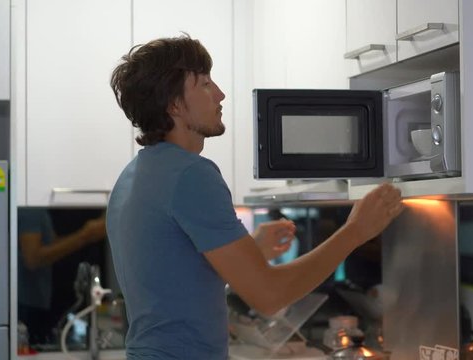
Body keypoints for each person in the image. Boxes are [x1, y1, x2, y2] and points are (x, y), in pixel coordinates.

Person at [106, 34, 404, 359]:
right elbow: (269, 296)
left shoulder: (133, 175)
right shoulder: (190, 174)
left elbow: (172, 282)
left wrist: (250, 250)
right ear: (174, 105)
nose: (220, 94)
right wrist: (355, 232)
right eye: (204, 84)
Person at [17, 208, 106, 344]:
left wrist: (88, 235)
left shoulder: (38, 210)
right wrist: (86, 235)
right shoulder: (31, 209)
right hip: (28, 305)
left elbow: (51, 243)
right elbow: (32, 259)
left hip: (37, 301)